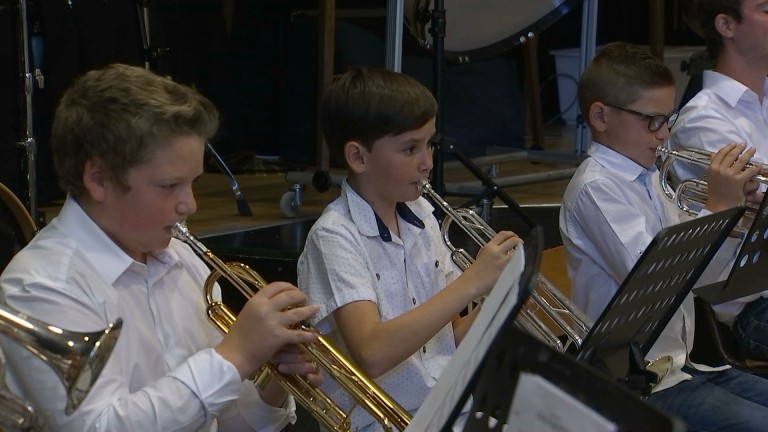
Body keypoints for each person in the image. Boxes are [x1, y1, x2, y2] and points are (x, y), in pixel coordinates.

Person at [0, 63, 322, 431]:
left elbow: (225, 422)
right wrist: (237, 355)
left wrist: (271, 381)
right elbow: (98, 426)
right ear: (98, 179)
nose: (190, 205)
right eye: (170, 186)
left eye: (194, 182)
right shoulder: (40, 286)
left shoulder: (183, 259)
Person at [296, 66, 521, 431]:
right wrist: (474, 282)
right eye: (410, 149)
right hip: (379, 423)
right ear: (358, 157)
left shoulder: (421, 215)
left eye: (429, 144)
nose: (427, 161)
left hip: (446, 407)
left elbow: (449, 338)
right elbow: (372, 353)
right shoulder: (335, 236)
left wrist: (504, 299)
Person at [559, 41, 768, 431]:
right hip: (636, 383)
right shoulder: (596, 188)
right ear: (601, 117)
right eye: (651, 121)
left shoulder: (650, 178)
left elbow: (702, 281)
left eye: (668, 119)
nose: (664, 134)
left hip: (683, 365)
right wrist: (720, 207)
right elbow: (657, 284)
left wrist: (738, 218)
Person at [669, 0, 768, 361]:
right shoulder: (703, 119)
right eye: (766, 8)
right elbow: (762, 203)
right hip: (751, 306)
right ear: (726, 25)